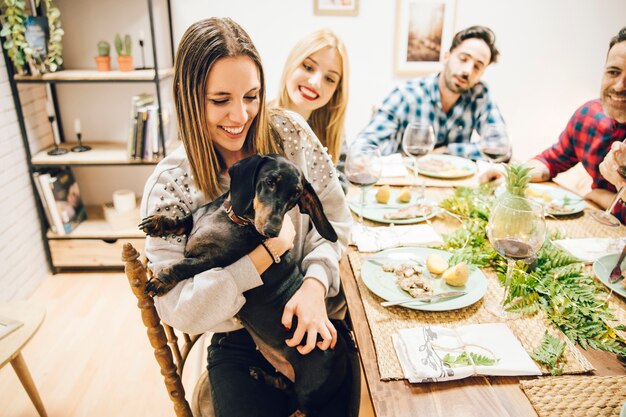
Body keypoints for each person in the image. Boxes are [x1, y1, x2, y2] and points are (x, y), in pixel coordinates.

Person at [140, 18, 354, 417]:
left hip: (312, 311)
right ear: (188, 97)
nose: (240, 116)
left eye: (251, 96)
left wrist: (314, 283)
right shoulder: (171, 187)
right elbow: (178, 309)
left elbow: (337, 225)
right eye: (220, 100)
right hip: (236, 341)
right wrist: (262, 257)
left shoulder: (290, 134)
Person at [352, 25, 505, 158]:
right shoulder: (407, 94)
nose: (467, 71)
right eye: (463, 59)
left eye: (477, 66)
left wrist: (447, 151)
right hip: (407, 183)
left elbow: (501, 147)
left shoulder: (480, 94)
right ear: (446, 57)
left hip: (457, 187)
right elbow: (363, 146)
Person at [527, 26, 626, 223]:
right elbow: (551, 161)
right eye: (613, 72)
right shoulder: (589, 115)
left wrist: (601, 196)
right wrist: (513, 174)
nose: (619, 86)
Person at [272, 29, 349, 188]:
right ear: (292, 62)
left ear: (336, 91)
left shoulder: (331, 129)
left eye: (329, 79)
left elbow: (342, 182)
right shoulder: (256, 121)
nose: (315, 82)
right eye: (308, 67)